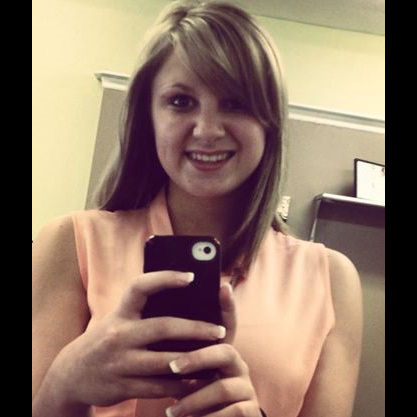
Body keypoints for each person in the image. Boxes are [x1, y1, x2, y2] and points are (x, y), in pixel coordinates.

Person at [32, 1, 363, 416]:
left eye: (236, 103)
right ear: (148, 116)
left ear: (270, 122)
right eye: (180, 101)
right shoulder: (71, 244)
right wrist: (64, 384)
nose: (207, 130)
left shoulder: (331, 281)